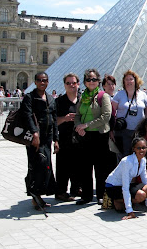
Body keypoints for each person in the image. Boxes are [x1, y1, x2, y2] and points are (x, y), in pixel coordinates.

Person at [74, 68, 116, 205]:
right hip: (85, 135)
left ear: (98, 81)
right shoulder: (82, 97)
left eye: (94, 79)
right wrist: (78, 126)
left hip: (99, 135)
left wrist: (86, 125)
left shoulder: (103, 96)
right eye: (88, 79)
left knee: (100, 167)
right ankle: (86, 196)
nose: (91, 81)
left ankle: (100, 194)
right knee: (85, 167)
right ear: (85, 82)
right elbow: (77, 115)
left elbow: (106, 116)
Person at [22, 72, 59, 210]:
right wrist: (34, 133)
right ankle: (35, 195)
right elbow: (28, 116)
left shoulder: (50, 98)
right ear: (35, 82)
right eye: (39, 80)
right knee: (37, 166)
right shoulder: (29, 98)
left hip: (47, 138)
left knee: (46, 167)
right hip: (35, 139)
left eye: (45, 80)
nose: (42, 82)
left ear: (48, 82)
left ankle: (38, 195)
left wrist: (56, 139)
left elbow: (54, 120)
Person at [105, 137, 147, 220]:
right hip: (112, 186)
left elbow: (145, 179)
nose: (141, 150)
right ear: (134, 149)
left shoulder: (143, 160)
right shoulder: (126, 161)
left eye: (144, 148)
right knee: (141, 195)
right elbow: (125, 187)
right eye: (139, 148)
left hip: (127, 184)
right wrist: (130, 212)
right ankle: (117, 201)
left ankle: (125, 202)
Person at [55, 73, 81, 202]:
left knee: (78, 165)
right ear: (64, 85)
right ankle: (60, 192)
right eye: (68, 83)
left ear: (78, 84)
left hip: (80, 139)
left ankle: (76, 188)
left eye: (74, 83)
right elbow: (53, 121)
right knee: (63, 167)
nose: (71, 85)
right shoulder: (59, 101)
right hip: (64, 138)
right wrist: (65, 119)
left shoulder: (82, 100)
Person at [111, 70, 147, 159]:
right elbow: (112, 113)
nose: (129, 81)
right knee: (124, 156)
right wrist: (111, 130)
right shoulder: (119, 95)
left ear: (136, 81)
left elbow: (146, 112)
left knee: (138, 156)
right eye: (126, 79)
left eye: (131, 79)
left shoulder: (143, 95)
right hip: (122, 131)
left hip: (139, 131)